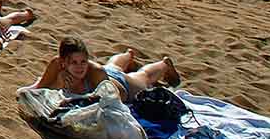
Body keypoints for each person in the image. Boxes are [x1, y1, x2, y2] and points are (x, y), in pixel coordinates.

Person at [26, 36, 182, 102]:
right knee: (114, 65)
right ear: (63, 63)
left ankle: (164, 64)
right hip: (108, 70)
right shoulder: (56, 64)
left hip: (121, 85)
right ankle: (128, 55)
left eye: (83, 61)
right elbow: (36, 90)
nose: (80, 67)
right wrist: (56, 85)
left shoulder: (96, 71)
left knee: (144, 76)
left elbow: (113, 99)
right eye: (73, 62)